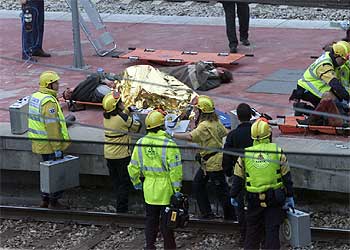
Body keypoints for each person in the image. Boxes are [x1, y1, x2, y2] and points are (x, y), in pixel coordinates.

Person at [230, 119, 294, 250]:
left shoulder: (245, 155)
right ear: (269, 135)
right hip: (274, 200)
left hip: (253, 200)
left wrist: (233, 195)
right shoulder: (277, 151)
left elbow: (237, 178)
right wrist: (290, 196)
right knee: (272, 232)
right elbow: (286, 176)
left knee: (252, 233)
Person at [171, 95, 235, 220]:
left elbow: (191, 136)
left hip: (212, 163)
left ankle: (230, 217)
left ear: (202, 111)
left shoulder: (204, 125)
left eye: (196, 110)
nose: (195, 113)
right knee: (198, 185)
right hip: (209, 162)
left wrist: (173, 134)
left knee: (221, 192)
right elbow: (225, 132)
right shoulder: (216, 122)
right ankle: (208, 214)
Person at [128, 110, 183, 250]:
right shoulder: (169, 144)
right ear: (162, 125)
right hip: (165, 190)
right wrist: (177, 190)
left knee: (151, 221)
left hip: (149, 190)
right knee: (167, 225)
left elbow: (133, 167)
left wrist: (136, 182)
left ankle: (150, 246)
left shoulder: (140, 143)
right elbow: (175, 171)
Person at [28, 70, 70, 209]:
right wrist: (57, 147)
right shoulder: (48, 102)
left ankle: (45, 199)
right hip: (49, 144)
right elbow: (52, 127)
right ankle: (54, 201)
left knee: (46, 172)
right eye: (55, 83)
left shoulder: (36, 97)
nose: (58, 85)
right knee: (55, 173)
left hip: (40, 142)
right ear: (49, 85)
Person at [102, 91, 141, 213]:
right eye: (120, 102)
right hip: (122, 156)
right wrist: (135, 115)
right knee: (124, 183)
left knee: (116, 182)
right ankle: (122, 210)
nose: (122, 103)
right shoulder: (123, 119)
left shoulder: (107, 117)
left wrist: (127, 110)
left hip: (109, 155)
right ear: (116, 106)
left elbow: (120, 117)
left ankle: (119, 204)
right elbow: (136, 127)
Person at [222, 103, 253, 245]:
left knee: (241, 208)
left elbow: (227, 156)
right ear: (251, 116)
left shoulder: (233, 135)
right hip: (259, 174)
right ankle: (259, 234)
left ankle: (244, 236)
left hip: (239, 175)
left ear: (238, 118)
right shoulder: (257, 133)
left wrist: (228, 172)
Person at [289, 41, 350, 111]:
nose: (344, 62)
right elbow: (334, 83)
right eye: (343, 60)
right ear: (336, 55)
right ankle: (302, 108)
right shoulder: (325, 65)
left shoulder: (332, 56)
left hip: (319, 86)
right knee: (336, 108)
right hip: (308, 89)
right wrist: (347, 98)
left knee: (339, 101)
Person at [160, 61, 233, 91]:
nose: (219, 67)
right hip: (187, 75)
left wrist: (196, 64)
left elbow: (199, 67)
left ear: (221, 71)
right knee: (170, 73)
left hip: (187, 75)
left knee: (169, 72)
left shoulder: (214, 78)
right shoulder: (215, 81)